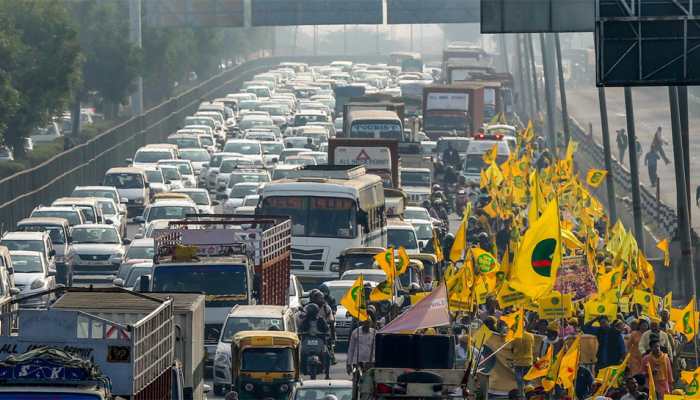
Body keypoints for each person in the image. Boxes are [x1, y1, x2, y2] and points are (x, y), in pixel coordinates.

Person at [509, 329, 534, 397]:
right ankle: (530, 395)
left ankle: (521, 395)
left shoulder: (515, 337)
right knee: (528, 380)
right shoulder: (531, 336)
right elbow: (532, 346)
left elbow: (512, 349)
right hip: (528, 361)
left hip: (518, 362)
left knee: (519, 379)